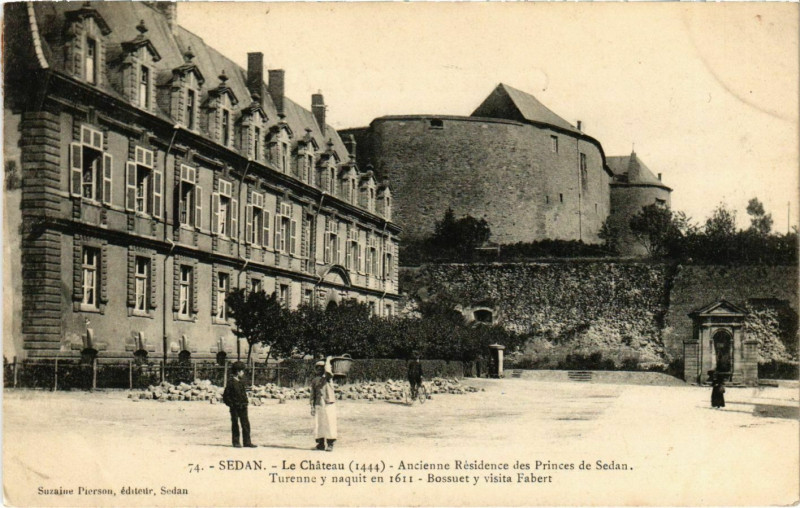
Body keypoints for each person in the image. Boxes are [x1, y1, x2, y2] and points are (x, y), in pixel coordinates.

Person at [222, 361, 256, 448]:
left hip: (243, 407)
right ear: (237, 372)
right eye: (242, 371)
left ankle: (247, 442)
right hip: (235, 408)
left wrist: (245, 403)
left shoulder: (241, 382)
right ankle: (236, 442)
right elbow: (226, 396)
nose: (243, 373)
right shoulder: (231, 383)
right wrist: (231, 405)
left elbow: (243, 395)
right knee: (235, 424)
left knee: (246, 424)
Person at [310, 357, 337, 451]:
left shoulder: (328, 378)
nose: (319, 370)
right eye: (317, 368)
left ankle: (330, 444)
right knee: (318, 424)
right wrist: (312, 406)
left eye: (322, 368)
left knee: (329, 423)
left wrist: (328, 361)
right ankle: (320, 444)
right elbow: (312, 394)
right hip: (318, 404)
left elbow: (329, 372)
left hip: (328, 403)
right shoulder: (314, 380)